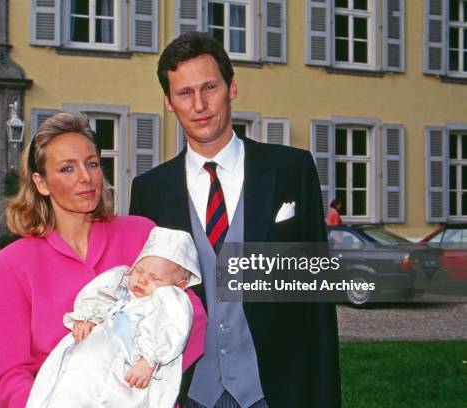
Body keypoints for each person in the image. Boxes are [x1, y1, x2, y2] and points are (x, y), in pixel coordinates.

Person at [130, 32, 341, 408]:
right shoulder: (150, 190)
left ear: (232, 88)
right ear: (168, 102)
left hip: (276, 388)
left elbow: (317, 306)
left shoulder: (291, 170)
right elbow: (142, 303)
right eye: (184, 93)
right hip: (189, 390)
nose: (199, 104)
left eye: (210, 86)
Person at [0, 112, 206, 408]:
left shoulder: (141, 234)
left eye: (92, 163)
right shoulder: (11, 265)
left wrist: (150, 372)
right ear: (41, 183)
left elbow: (194, 316)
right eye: (66, 168)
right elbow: (7, 376)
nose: (86, 177)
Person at [26, 227, 202, 408]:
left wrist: (148, 361)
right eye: (139, 270)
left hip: (131, 364)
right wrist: (87, 318)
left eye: (154, 278)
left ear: (179, 286)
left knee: (120, 395)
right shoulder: (121, 286)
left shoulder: (167, 302)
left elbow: (170, 327)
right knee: (71, 385)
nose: (142, 279)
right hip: (93, 357)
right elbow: (101, 295)